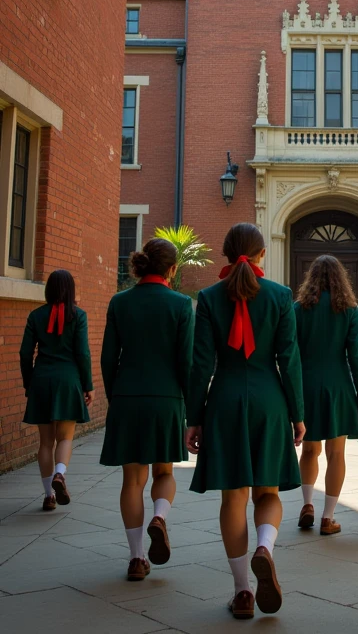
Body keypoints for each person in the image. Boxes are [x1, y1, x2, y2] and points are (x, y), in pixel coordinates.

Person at [186, 223, 304, 620]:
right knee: (267, 493)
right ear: (261, 254)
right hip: (269, 401)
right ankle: (265, 548)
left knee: (232, 497)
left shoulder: (208, 297)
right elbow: (289, 360)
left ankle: (242, 592)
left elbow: (201, 364)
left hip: (225, 401)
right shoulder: (280, 296)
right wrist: (298, 414)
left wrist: (194, 417)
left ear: (224, 251)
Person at [100, 237, 193, 582]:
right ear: (172, 269)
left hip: (127, 397)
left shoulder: (120, 302)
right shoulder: (182, 304)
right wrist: (191, 408)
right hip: (166, 399)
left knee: (131, 480)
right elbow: (186, 363)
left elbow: (109, 358)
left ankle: (137, 557)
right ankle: (160, 516)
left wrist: (116, 397)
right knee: (164, 473)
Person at [295, 255, 358, 536]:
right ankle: (328, 517)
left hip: (307, 386)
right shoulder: (349, 311)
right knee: (336, 453)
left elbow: (289, 354)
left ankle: (307, 505)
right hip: (339, 387)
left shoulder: (298, 309)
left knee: (310, 450)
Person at [19, 270, 94, 511]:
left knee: (45, 442)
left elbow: (24, 353)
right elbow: (82, 353)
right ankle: (60, 474)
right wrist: (88, 385)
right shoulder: (79, 316)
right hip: (69, 380)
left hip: (41, 380)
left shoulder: (36, 316)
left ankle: (48, 495)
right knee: (65, 437)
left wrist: (29, 382)